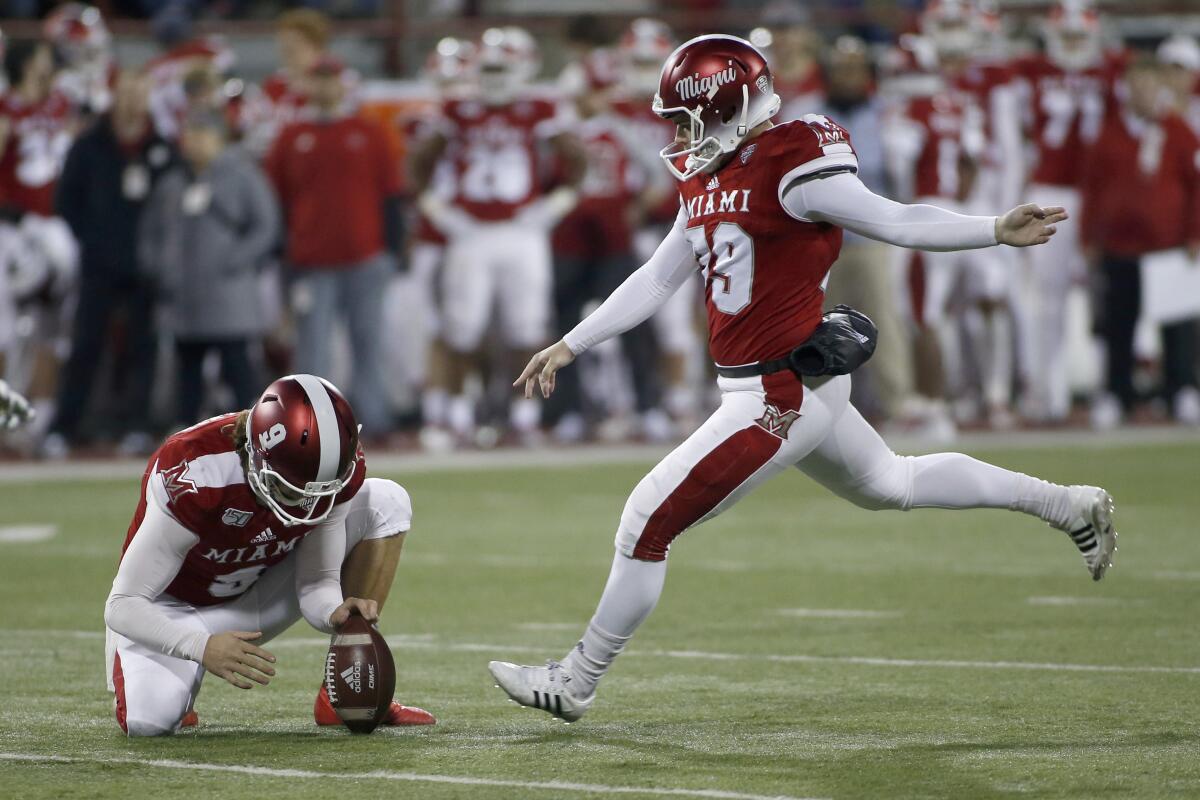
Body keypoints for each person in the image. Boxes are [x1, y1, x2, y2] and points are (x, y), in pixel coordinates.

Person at [488, 34, 1118, 723]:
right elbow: (663, 272)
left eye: (682, 117)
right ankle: (1067, 504)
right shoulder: (711, 168)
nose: (675, 133)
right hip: (789, 387)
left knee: (645, 521)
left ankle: (577, 679)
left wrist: (992, 228)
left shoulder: (795, 160)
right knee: (892, 484)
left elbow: (894, 219)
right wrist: (573, 344)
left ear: (724, 105)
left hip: (775, 393)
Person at [104, 374, 434, 736]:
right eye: (292, 491)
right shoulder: (198, 470)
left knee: (387, 501)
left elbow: (316, 582)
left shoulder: (336, 467)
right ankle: (175, 686)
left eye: (320, 493)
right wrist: (201, 647)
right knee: (148, 721)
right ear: (259, 460)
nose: (309, 507)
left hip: (252, 596)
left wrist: (336, 612)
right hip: (171, 609)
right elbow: (122, 604)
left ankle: (342, 692)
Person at [410, 26, 585, 446]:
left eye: (501, 67)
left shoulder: (539, 107)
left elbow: (577, 161)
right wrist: (437, 209)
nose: (493, 77)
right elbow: (418, 164)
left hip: (522, 233)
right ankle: (457, 414)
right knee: (462, 328)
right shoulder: (456, 109)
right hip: (470, 233)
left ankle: (524, 415)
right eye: (487, 68)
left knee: (527, 329)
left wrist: (555, 204)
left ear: (523, 67)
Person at [265, 55, 401, 437]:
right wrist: (285, 257)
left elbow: (391, 195)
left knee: (369, 342)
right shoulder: (291, 137)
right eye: (317, 79)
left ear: (343, 83)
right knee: (313, 351)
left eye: (331, 79)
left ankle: (375, 421)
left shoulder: (370, 132)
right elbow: (278, 201)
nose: (324, 87)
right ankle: (312, 430)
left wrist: (393, 252)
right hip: (311, 260)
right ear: (307, 85)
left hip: (366, 257)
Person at [47, 69, 173, 458]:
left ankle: (137, 426)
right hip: (99, 263)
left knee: (142, 348)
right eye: (128, 90)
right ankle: (65, 427)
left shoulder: (162, 147)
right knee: (86, 345)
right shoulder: (89, 144)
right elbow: (66, 200)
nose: (135, 99)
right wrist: (93, 239)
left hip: (146, 267)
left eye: (142, 91)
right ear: (114, 94)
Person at [1011, 0, 1124, 423]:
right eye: (1068, 34)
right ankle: (1049, 390)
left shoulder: (1113, 71)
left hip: (1100, 194)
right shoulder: (1031, 71)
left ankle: (1107, 390)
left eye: (1081, 35)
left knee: (1105, 295)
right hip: (1049, 189)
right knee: (1047, 296)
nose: (1075, 43)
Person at [1080, 54, 1200, 428]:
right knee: (1119, 326)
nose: (1147, 95)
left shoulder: (1179, 131)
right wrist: (1088, 236)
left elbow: (1196, 186)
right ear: (1127, 90)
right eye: (1139, 87)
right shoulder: (1110, 134)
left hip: (1168, 245)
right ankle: (1117, 393)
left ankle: (1181, 390)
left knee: (1177, 326)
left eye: (1152, 87)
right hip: (1121, 246)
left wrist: (1195, 232)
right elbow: (1093, 190)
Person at [140, 110, 278, 427]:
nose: (195, 143)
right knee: (187, 373)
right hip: (185, 297)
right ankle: (186, 439)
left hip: (228, 294)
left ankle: (257, 432)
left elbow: (266, 226)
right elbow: (151, 231)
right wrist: (159, 266)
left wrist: (234, 260)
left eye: (203, 135)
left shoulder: (243, 176)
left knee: (238, 369)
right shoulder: (172, 182)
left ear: (219, 139)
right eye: (190, 135)